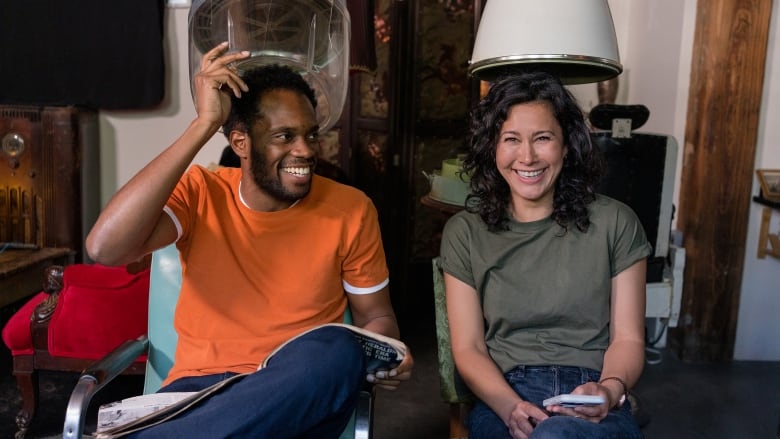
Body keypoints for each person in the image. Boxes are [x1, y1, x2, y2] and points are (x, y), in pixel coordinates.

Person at [86, 42, 413, 438]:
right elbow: (105, 248)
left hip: (298, 395)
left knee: (337, 350)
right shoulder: (201, 192)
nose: (305, 150)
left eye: (310, 135)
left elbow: (376, 316)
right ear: (240, 143)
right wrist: (203, 125)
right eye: (284, 136)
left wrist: (387, 353)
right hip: (200, 394)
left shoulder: (351, 209)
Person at [439, 71, 650, 439]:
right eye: (511, 139)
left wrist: (610, 390)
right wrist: (509, 407)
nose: (527, 156)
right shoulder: (465, 232)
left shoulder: (616, 222)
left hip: (591, 392)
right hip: (505, 392)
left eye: (543, 138)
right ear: (492, 147)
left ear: (566, 145)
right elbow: (469, 347)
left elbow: (628, 339)